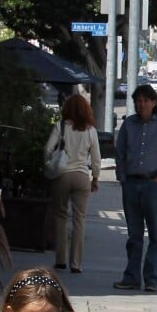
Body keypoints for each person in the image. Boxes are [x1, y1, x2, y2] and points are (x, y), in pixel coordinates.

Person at [113, 84, 157, 292]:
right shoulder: (129, 124)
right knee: (134, 235)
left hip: (153, 184)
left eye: (145, 101)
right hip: (131, 184)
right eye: (137, 101)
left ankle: (151, 279)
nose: (141, 105)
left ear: (154, 102)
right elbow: (120, 152)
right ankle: (131, 277)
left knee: (156, 234)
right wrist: (122, 176)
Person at [44, 93, 101, 273]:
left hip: (62, 175)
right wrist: (96, 178)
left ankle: (60, 260)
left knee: (60, 216)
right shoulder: (90, 130)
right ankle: (75, 263)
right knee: (79, 219)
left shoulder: (60, 127)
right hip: (82, 176)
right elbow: (96, 158)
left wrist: (49, 163)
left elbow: (47, 149)